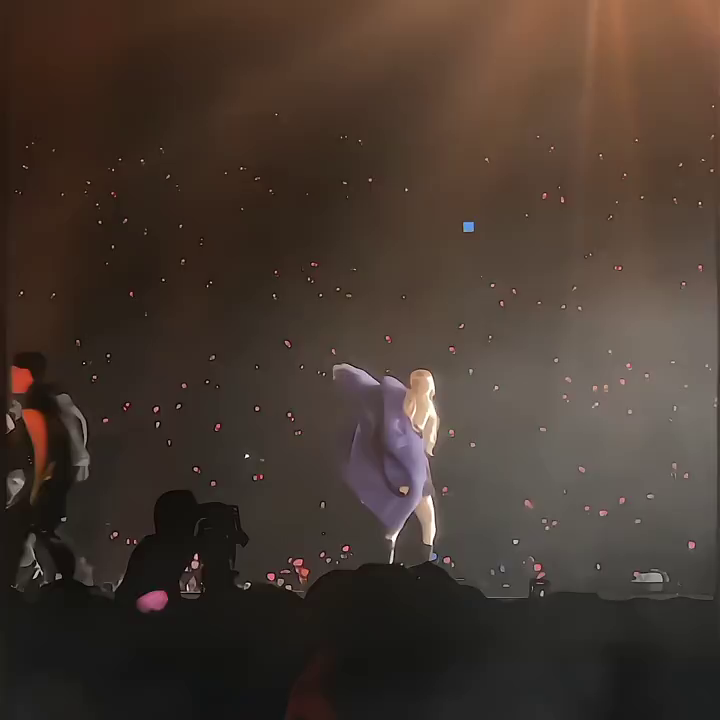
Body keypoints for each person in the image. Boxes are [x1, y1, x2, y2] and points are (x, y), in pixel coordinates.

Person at [333, 364, 439, 563]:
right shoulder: (417, 406)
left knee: (412, 521)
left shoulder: (407, 401)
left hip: (412, 468)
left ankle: (406, 561)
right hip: (412, 468)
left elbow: (407, 441)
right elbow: (414, 443)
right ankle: (416, 561)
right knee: (422, 521)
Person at [4, 352, 76, 585]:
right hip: (42, 497)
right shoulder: (46, 417)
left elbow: (36, 458)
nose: (10, 376)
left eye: (15, 371)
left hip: (35, 497)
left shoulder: (33, 416)